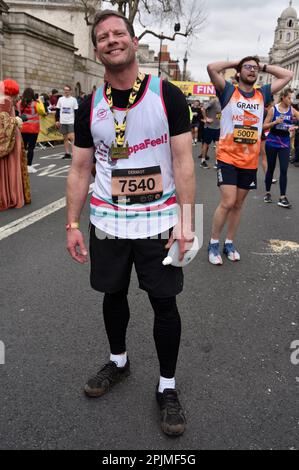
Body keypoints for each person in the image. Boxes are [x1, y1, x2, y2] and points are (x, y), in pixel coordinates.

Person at [66, 9, 195, 437]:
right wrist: (71, 223)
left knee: (164, 304)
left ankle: (168, 386)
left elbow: (183, 162)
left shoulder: (167, 94)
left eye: (118, 33)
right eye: (102, 37)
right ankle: (118, 361)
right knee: (113, 294)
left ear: (132, 39)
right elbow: (80, 169)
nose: (111, 40)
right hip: (108, 222)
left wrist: (186, 222)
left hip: (159, 222)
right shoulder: (91, 105)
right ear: (97, 48)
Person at [206, 56, 293, 265]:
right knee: (227, 201)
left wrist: (262, 65)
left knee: (238, 204)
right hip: (227, 157)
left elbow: (288, 75)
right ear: (239, 72)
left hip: (249, 160)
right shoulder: (228, 90)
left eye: (255, 68)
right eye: (248, 67)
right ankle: (214, 243)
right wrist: (236, 62)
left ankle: (229, 242)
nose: (252, 70)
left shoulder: (262, 93)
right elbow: (212, 67)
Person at [263, 88, 299, 208]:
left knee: (284, 169)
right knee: (271, 168)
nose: (291, 100)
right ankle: (267, 192)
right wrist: (275, 122)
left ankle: (282, 197)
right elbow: (263, 126)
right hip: (272, 142)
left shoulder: (292, 110)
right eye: (289, 98)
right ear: (283, 97)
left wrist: (295, 127)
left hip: (284, 143)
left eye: (291, 98)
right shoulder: (273, 110)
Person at [0, 79, 31, 211]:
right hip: (13, 137)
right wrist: (19, 119)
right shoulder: (6, 101)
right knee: (11, 166)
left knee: (5, 167)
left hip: (10, 136)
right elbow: (4, 120)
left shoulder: (4, 99)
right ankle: (12, 196)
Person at [18, 87, 46, 174]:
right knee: (31, 148)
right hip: (33, 129)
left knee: (23, 148)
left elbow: (19, 113)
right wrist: (40, 101)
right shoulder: (36, 103)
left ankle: (20, 165)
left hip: (23, 128)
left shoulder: (19, 103)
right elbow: (42, 112)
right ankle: (29, 165)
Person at [55, 85, 78, 159]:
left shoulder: (73, 100)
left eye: (67, 90)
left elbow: (76, 111)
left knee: (72, 138)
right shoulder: (60, 99)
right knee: (65, 138)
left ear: (70, 91)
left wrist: (77, 121)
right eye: (65, 90)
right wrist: (57, 120)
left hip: (71, 121)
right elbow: (57, 110)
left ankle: (75, 154)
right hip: (63, 121)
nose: (66, 91)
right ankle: (67, 153)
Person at [199, 97, 221, 169]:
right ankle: (203, 161)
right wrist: (206, 118)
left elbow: (219, 114)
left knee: (217, 144)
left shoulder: (223, 101)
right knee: (206, 144)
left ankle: (217, 162)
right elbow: (203, 108)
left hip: (218, 127)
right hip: (209, 127)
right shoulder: (214, 101)